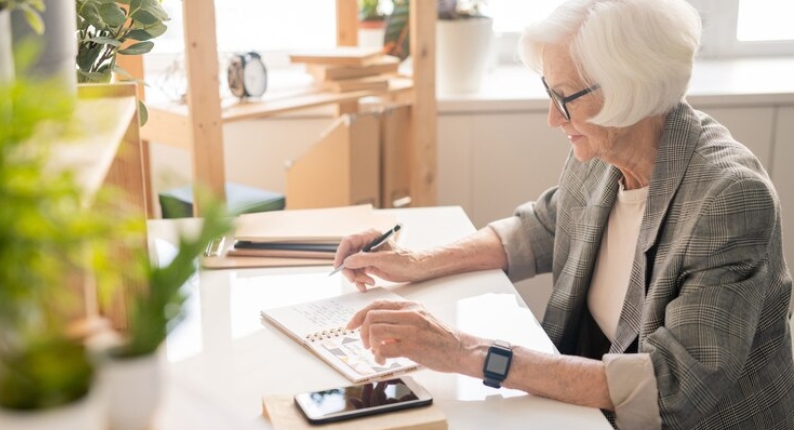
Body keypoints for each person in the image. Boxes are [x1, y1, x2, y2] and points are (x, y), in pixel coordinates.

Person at [332, 0, 794, 428]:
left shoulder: (730, 199)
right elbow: (542, 226)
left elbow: (671, 387)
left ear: (628, 91)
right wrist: (416, 261)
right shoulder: (604, 148)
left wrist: (464, 351)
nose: (554, 118)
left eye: (566, 97)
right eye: (549, 92)